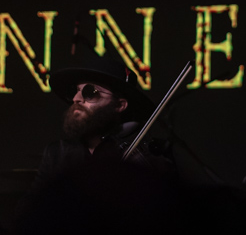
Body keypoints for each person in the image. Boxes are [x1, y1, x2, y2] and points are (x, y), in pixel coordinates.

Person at [33, 50, 171, 190]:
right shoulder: (57, 153)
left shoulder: (146, 154)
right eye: (74, 91)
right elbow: (29, 208)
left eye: (90, 92)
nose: (76, 98)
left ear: (119, 105)